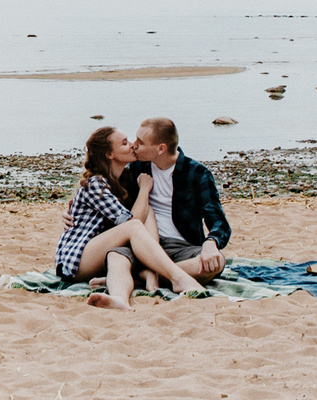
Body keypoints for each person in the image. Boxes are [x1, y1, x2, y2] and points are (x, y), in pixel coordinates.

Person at [55, 125, 212, 305]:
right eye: (124, 143)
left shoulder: (124, 178)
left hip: (102, 253)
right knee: (135, 224)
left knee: (148, 211)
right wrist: (145, 189)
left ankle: (126, 293)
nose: (132, 145)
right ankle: (178, 278)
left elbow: (138, 216)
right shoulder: (95, 184)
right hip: (77, 260)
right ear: (110, 154)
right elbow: (131, 223)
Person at [129, 116, 230, 284]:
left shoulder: (197, 173)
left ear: (161, 149)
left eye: (141, 142)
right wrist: (70, 209)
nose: (134, 145)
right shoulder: (136, 168)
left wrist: (211, 242)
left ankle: (151, 276)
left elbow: (219, 222)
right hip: (144, 246)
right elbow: (99, 181)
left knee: (217, 263)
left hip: (183, 249)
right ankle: (166, 275)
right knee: (116, 257)